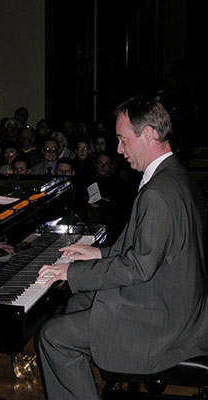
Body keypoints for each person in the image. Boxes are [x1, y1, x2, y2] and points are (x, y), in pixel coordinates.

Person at [37, 95, 208, 400]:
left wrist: (72, 273)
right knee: (79, 304)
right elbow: (153, 248)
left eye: (122, 140)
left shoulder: (158, 192)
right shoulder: (177, 176)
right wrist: (99, 253)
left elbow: (139, 266)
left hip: (164, 322)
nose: (118, 149)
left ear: (148, 134)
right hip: (180, 301)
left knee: (53, 336)